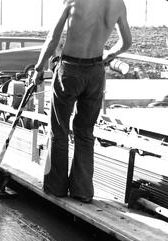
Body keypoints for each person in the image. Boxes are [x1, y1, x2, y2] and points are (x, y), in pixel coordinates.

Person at [33, 0, 132, 203]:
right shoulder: (118, 4)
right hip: (96, 71)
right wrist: (109, 54)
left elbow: (53, 39)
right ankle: (83, 190)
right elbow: (127, 43)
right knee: (85, 132)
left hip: (70, 69)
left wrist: (38, 69)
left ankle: (56, 187)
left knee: (59, 128)